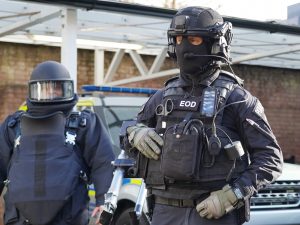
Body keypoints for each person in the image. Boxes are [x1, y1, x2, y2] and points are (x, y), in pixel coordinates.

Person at [124, 6, 283, 225]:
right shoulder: (162, 97)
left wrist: (232, 196)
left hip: (213, 213)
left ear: (216, 44)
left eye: (194, 40)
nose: (184, 47)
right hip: (164, 213)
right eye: (178, 39)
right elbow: (127, 132)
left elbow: (270, 159)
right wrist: (135, 132)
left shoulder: (237, 99)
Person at [0, 61, 115, 225]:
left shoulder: (84, 124)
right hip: (18, 218)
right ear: (34, 90)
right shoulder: (12, 126)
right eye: (45, 89)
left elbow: (103, 163)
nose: (51, 93)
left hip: (69, 217)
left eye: (56, 88)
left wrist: (103, 201)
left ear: (66, 89)